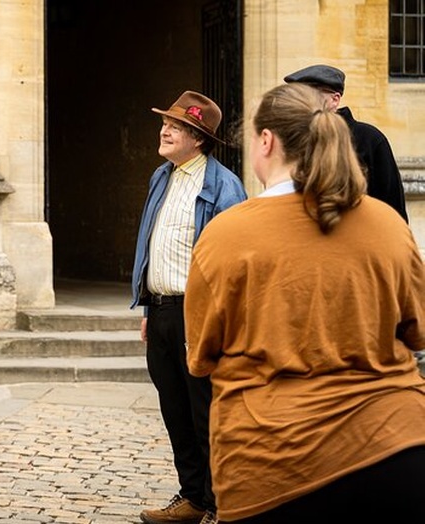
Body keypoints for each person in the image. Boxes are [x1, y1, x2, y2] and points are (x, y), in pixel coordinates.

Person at [184, 83, 425, 522]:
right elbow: (417, 328)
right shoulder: (387, 223)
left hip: (273, 459)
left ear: (266, 141)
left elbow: (200, 355)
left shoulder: (226, 234)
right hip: (395, 447)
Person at [131, 91, 247, 524]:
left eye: (176, 127)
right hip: (161, 312)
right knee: (175, 411)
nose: (165, 130)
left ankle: (221, 504)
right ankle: (193, 498)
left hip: (198, 314)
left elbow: (236, 261)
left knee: (206, 414)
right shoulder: (161, 176)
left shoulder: (223, 186)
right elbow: (154, 244)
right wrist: (148, 310)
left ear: (198, 138)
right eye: (165, 123)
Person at [284, 64, 409, 222]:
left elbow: (393, 209)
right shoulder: (295, 139)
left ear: (335, 99)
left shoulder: (369, 140)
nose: (301, 104)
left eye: (308, 96)